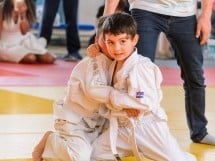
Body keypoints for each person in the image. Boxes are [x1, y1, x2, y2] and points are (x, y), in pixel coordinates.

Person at [103, 0, 215, 145]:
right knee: (137, 74)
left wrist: (205, 16)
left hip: (185, 13)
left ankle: (199, 132)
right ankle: (133, 131)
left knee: (195, 76)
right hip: (145, 8)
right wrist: (105, 21)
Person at [87, 12, 196, 161]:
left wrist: (115, 99)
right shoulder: (112, 63)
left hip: (149, 128)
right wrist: (96, 55)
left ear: (135, 40)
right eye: (110, 42)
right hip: (123, 128)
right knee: (91, 154)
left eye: (123, 41)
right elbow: (94, 89)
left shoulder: (142, 67)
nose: (117, 48)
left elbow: (144, 103)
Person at [32, 15, 112, 161]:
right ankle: (52, 141)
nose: (113, 47)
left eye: (120, 42)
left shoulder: (119, 63)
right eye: (107, 41)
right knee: (80, 158)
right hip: (75, 123)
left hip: (99, 124)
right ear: (97, 41)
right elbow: (100, 93)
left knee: (108, 155)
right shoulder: (91, 63)